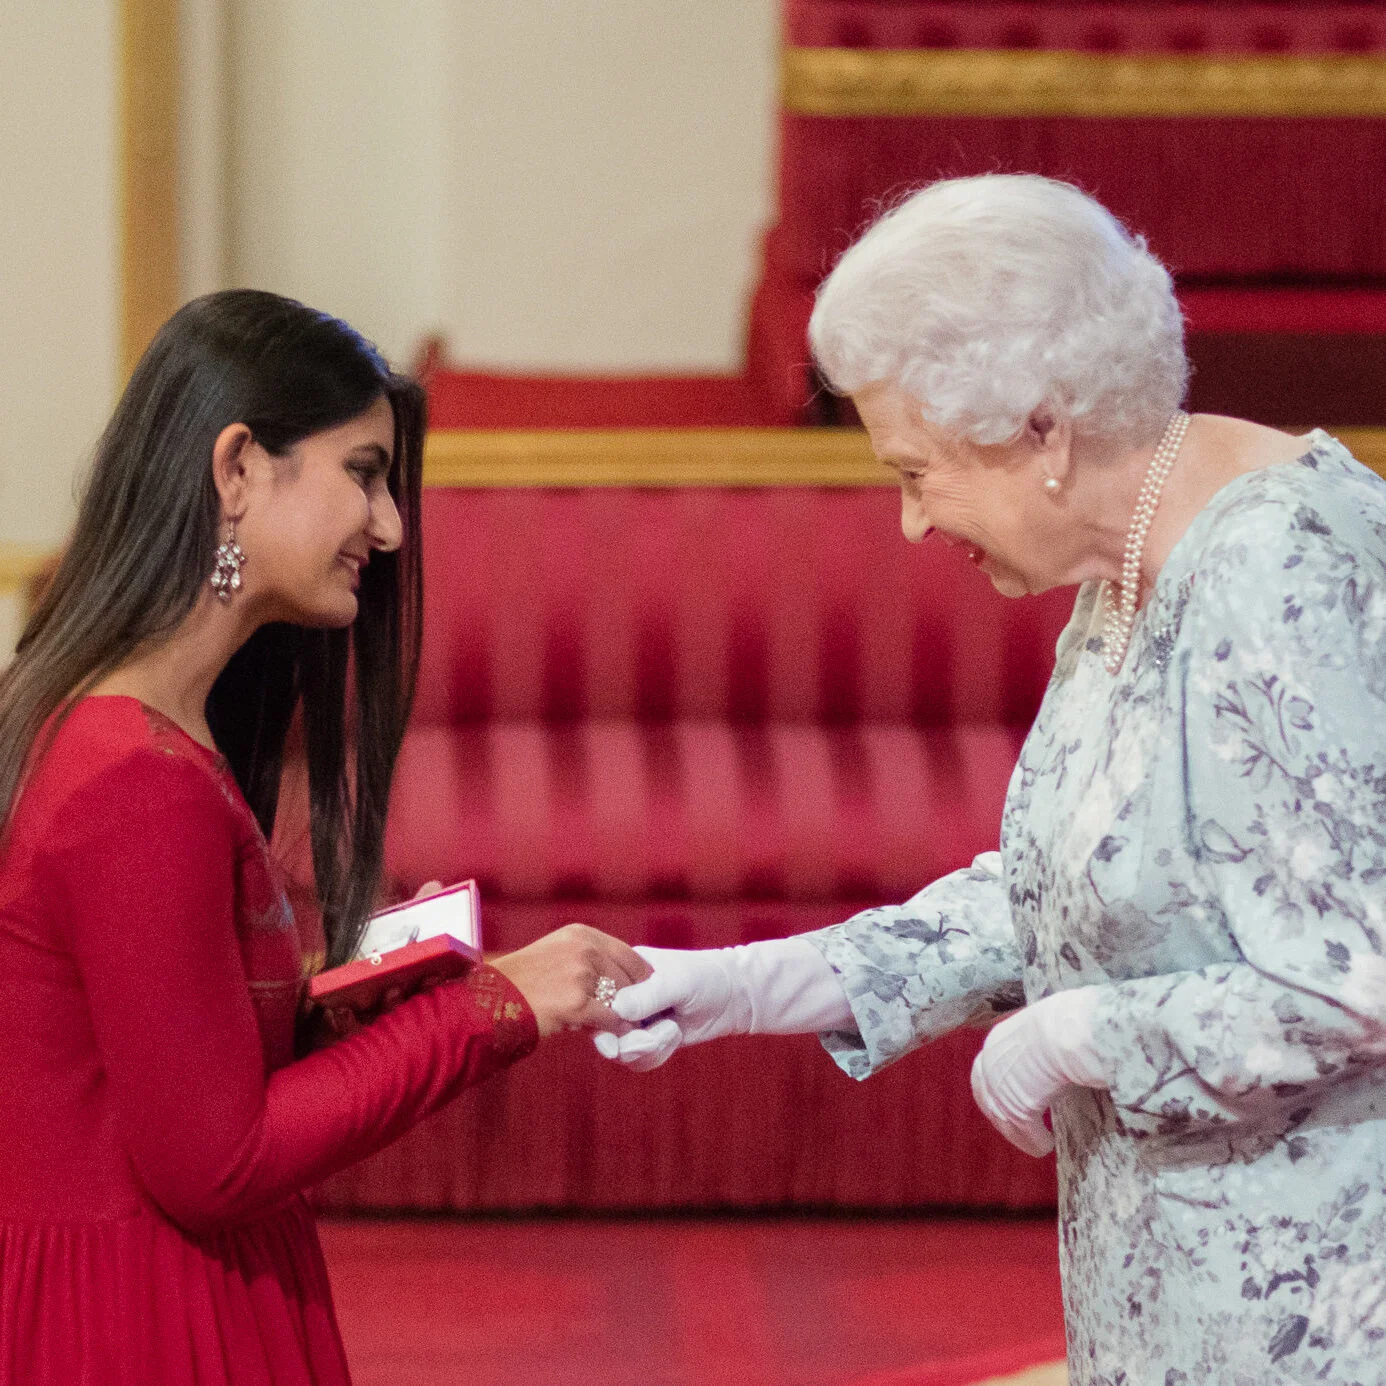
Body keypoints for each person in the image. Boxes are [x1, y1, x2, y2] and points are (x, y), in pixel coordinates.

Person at [596, 175, 1386, 1383]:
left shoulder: (1271, 570)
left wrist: (1084, 1034)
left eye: (917, 472)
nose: (912, 524)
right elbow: (1068, 880)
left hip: (1317, 1307)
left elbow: (1354, 979)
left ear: (1040, 431)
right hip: (1177, 1292)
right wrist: (765, 985)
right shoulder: (1129, 561)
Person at [0, 290, 646, 1386]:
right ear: (238, 468)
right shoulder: (133, 778)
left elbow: (163, 1068)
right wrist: (498, 1008)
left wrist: (351, 1002)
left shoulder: (122, 729)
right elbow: (218, 1160)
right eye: (363, 472)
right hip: (144, 1321)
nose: (389, 528)